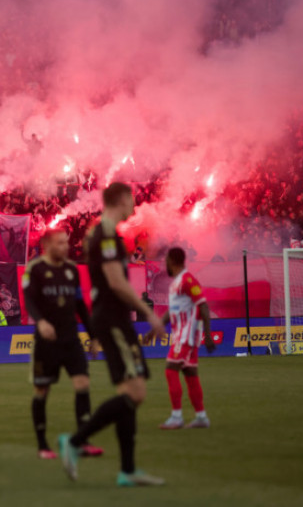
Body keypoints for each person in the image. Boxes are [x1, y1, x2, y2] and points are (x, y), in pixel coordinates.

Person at [58, 182, 167, 487]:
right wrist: (148, 314)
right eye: (131, 197)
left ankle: (127, 471)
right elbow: (117, 283)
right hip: (113, 320)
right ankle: (76, 441)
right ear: (121, 199)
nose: (135, 203)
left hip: (114, 319)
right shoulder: (104, 236)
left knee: (129, 395)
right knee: (136, 393)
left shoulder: (107, 235)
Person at [22, 228, 102, 460]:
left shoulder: (71, 270)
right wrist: (41, 322)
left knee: (82, 383)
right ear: (47, 245)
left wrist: (93, 336)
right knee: (42, 390)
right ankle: (42, 445)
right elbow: (29, 300)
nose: (66, 247)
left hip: (71, 339)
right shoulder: (35, 269)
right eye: (60, 243)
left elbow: (80, 306)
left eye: (66, 242)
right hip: (46, 343)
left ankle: (82, 441)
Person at [157, 247, 216, 430]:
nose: (164, 263)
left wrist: (207, 334)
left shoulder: (187, 280)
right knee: (190, 375)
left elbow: (203, 306)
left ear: (173, 261)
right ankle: (201, 417)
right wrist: (156, 328)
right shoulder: (176, 283)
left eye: (166, 260)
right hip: (181, 335)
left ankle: (176, 417)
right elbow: (172, 311)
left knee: (170, 370)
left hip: (186, 336)